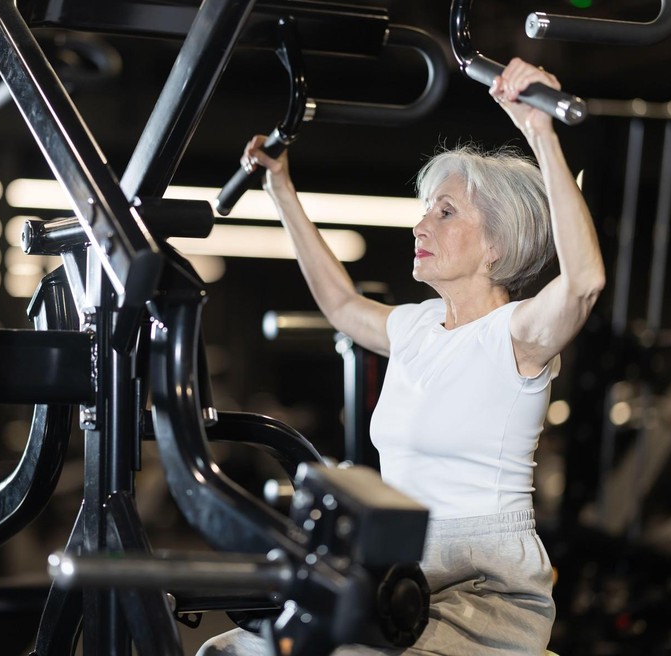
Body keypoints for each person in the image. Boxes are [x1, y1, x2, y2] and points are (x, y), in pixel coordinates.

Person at [198, 58, 605, 655]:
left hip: (483, 581)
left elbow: (584, 283)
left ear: (497, 242)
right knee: (232, 651)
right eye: (424, 210)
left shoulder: (516, 335)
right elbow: (340, 303)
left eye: (444, 212)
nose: (420, 224)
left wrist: (539, 132)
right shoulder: (416, 327)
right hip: (395, 565)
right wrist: (281, 190)